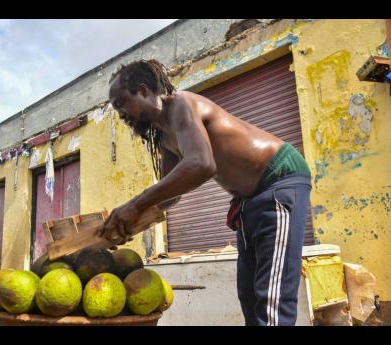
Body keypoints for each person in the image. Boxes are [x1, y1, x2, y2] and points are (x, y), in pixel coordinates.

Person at [99, 59, 312, 326]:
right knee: (249, 295)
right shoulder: (165, 136)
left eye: (121, 104)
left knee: (272, 299)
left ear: (143, 90)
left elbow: (201, 164)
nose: (121, 115)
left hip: (280, 180)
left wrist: (136, 202)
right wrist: (132, 221)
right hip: (248, 200)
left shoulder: (180, 104)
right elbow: (170, 195)